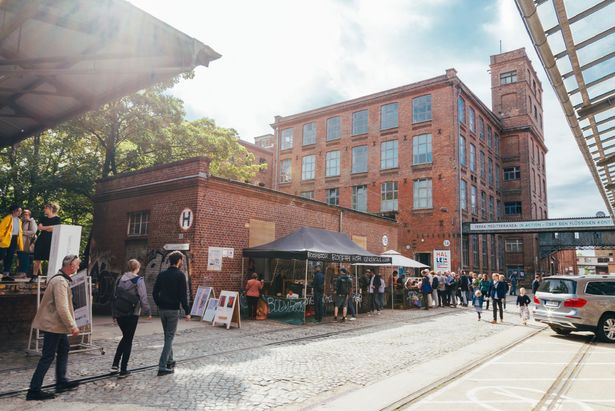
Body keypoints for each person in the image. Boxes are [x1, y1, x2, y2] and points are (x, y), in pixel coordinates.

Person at [27, 254, 81, 401]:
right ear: (70, 265)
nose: (78, 267)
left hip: (57, 325)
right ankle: (34, 390)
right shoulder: (60, 282)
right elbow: (62, 307)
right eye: (76, 264)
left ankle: (61, 382)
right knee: (48, 356)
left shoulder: (61, 279)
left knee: (64, 349)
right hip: (53, 325)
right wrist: (72, 326)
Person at [111, 259, 151, 378]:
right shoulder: (138, 280)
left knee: (125, 338)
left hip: (119, 313)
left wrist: (114, 314)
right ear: (137, 268)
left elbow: (114, 296)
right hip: (132, 314)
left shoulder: (119, 279)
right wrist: (148, 311)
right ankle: (123, 369)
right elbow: (143, 298)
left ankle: (115, 365)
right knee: (128, 340)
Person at [152, 251, 190, 376]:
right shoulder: (180, 275)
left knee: (167, 335)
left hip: (162, 310)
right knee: (169, 337)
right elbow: (183, 296)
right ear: (179, 261)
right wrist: (187, 311)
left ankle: (170, 360)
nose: (182, 262)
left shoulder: (162, 274)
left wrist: (159, 303)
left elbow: (154, 292)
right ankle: (162, 366)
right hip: (173, 310)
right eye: (182, 260)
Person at [32, 203, 62, 281]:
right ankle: (34, 276)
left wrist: (45, 228)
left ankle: (49, 277)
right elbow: (39, 228)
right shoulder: (43, 218)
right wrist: (49, 228)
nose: (44, 209)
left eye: (46, 208)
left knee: (50, 258)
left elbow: (55, 229)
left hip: (51, 240)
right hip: (41, 239)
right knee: (37, 258)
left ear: (51, 208)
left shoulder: (57, 219)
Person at [0, 205, 23, 280]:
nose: (20, 212)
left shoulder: (19, 220)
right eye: (19, 210)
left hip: (14, 239)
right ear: (14, 211)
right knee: (2, 255)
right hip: (6, 239)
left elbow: (19, 231)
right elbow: (1, 229)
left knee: (10, 256)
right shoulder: (7, 218)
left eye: (20, 211)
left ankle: (6, 275)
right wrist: (1, 238)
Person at [17, 209, 37, 277]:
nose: (25, 216)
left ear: (29, 215)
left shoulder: (31, 221)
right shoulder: (21, 221)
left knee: (25, 257)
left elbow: (33, 231)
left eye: (26, 214)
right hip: (20, 242)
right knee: (20, 257)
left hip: (27, 243)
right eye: (24, 214)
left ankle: (24, 272)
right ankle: (20, 272)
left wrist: (22, 232)